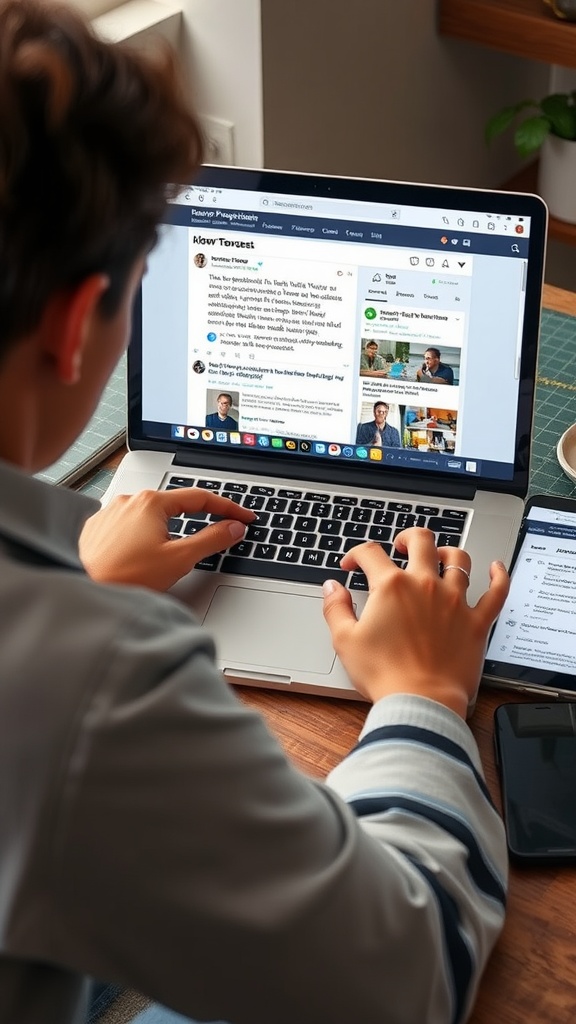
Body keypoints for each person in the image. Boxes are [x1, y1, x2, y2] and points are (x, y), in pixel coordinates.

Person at [0, 3, 510, 1024]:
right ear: (71, 330)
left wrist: (83, 590)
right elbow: (407, 975)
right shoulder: (83, 684)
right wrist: (422, 698)